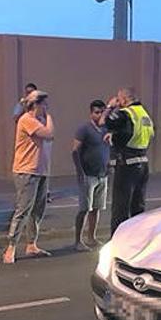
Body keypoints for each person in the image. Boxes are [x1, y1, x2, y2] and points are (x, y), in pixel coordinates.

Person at [3, 90, 55, 264]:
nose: (47, 107)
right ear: (37, 104)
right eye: (44, 104)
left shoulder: (39, 121)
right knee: (23, 210)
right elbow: (49, 134)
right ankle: (10, 248)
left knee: (37, 210)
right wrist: (49, 117)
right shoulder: (27, 120)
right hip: (27, 171)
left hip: (41, 171)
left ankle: (31, 244)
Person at [102, 87, 155, 234]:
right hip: (143, 164)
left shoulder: (126, 113)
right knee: (138, 207)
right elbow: (144, 135)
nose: (118, 102)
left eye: (119, 99)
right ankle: (137, 239)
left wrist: (110, 107)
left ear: (124, 99)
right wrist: (114, 137)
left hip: (127, 165)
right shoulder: (145, 115)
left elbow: (105, 122)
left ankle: (118, 241)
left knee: (120, 208)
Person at [72, 100, 110, 251]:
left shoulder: (106, 129)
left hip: (102, 174)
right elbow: (75, 151)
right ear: (91, 113)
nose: (99, 115)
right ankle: (78, 241)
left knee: (97, 208)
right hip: (88, 175)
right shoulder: (84, 129)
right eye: (96, 112)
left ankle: (92, 237)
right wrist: (80, 171)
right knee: (84, 209)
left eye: (101, 112)